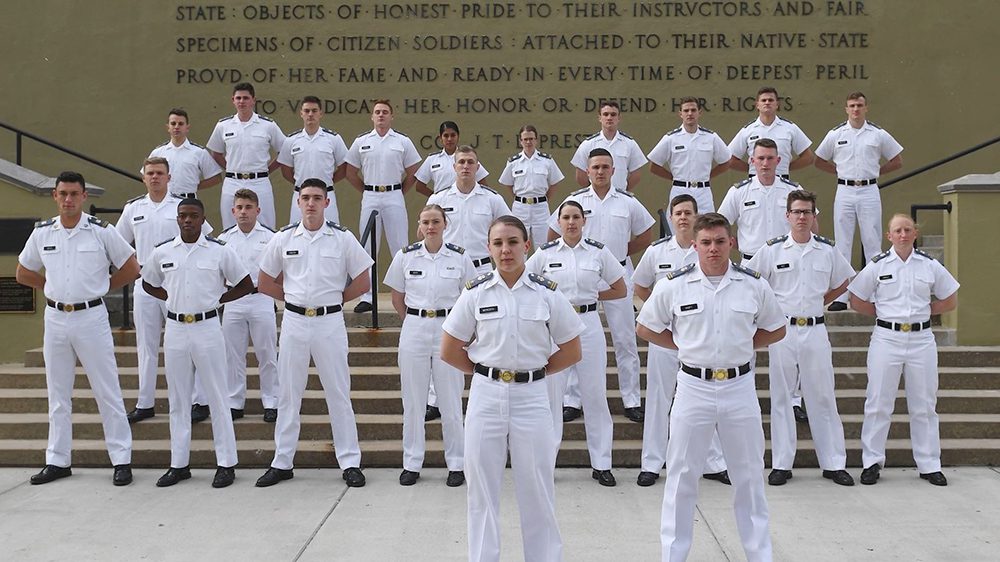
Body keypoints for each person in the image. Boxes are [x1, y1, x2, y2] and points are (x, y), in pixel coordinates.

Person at [637, 213, 786, 562]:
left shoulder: (753, 284)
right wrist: (685, 347)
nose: (713, 248)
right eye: (706, 242)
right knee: (681, 476)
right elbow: (645, 327)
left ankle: (759, 554)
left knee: (748, 475)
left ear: (731, 243)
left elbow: (776, 328)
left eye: (720, 241)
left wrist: (745, 346)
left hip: (739, 388)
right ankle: (673, 556)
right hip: (692, 387)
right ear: (695, 245)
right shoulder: (674, 284)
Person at [441, 216, 584, 562]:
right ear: (489, 249)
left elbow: (572, 349)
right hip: (486, 395)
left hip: (532, 398)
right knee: (482, 491)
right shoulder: (475, 292)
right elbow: (449, 349)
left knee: (537, 489)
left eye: (513, 242)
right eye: (498, 243)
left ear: (527, 245)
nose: (506, 250)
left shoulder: (546, 292)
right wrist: (483, 372)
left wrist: (536, 372)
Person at [16, 171, 139, 486]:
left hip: (91, 318)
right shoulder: (43, 233)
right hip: (56, 319)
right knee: (58, 392)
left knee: (107, 390)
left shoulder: (100, 231)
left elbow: (131, 267)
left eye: (74, 193)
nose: (68, 199)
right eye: (63, 194)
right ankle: (58, 460)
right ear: (55, 196)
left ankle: (121, 458)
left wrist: (102, 287)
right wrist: (50, 288)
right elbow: (23, 271)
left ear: (85, 197)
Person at [254, 179, 373, 488]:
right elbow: (265, 281)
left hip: (329, 323)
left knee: (338, 393)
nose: (310, 203)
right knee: (289, 394)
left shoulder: (342, 238)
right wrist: (293, 300)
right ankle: (282, 461)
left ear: (327, 202)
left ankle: (349, 462)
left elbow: (363, 280)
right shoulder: (282, 238)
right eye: (305, 197)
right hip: (294, 323)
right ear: (297, 202)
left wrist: (335, 300)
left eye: (317, 198)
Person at [746, 190, 856, 487]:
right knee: (781, 397)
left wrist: (821, 300)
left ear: (813, 216)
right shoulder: (772, 251)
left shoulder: (827, 250)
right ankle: (782, 463)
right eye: (797, 212)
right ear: (787, 216)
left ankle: (833, 463)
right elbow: (751, 283)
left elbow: (842, 281)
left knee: (822, 396)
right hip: (783, 331)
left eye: (807, 212)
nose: (802, 217)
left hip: (816, 330)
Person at [142, 198, 253, 488]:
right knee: (178, 400)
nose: (187, 220)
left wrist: (220, 300)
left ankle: (226, 463)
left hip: (207, 328)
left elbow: (244, 283)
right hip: (176, 329)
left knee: (218, 397)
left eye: (193, 216)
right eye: (182, 216)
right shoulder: (163, 251)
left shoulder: (219, 251)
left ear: (203, 219)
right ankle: (179, 464)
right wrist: (170, 298)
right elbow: (147, 282)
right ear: (176, 219)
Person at [848, 214, 959, 487]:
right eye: (897, 230)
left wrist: (926, 312)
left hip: (921, 340)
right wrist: (883, 314)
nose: (902, 235)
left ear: (915, 233)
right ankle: (871, 462)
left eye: (907, 230)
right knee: (878, 403)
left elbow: (950, 298)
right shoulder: (877, 266)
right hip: (887, 339)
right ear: (889, 236)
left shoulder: (929, 265)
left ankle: (929, 464)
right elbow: (856, 298)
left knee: (924, 405)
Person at [549, 148, 654, 423]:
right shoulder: (574, 201)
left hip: (618, 270)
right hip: (580, 273)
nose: (600, 171)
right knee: (573, 335)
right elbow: (552, 233)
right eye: (595, 167)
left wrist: (616, 255)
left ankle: (631, 399)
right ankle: (572, 400)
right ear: (587, 170)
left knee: (625, 339)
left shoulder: (628, 202)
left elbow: (646, 233)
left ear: (613, 170)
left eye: (605, 167)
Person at [526, 200, 625, 486]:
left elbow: (619, 287)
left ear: (584, 221)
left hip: (588, 324)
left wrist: (594, 297)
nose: (570, 222)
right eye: (566, 217)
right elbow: (527, 282)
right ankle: (547, 463)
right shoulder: (544, 254)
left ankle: (602, 463)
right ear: (558, 222)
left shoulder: (598, 252)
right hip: (554, 328)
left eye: (576, 217)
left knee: (595, 394)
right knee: (551, 398)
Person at [633, 195, 729, 488]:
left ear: (697, 217)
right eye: (678, 213)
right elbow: (640, 286)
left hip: (699, 340)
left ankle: (713, 462)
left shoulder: (707, 249)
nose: (683, 218)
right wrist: (661, 315)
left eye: (688, 212)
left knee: (707, 399)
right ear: (671, 218)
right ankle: (652, 462)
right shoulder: (656, 252)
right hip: (665, 338)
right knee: (660, 399)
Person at [385, 204, 476, 487]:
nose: (431, 226)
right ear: (419, 225)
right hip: (414, 327)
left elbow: (470, 297)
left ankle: (457, 464)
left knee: (450, 400)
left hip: (449, 328)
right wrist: (413, 320)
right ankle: (412, 462)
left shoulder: (460, 257)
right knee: (412, 400)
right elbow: (397, 296)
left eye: (436, 221)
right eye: (426, 221)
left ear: (445, 224)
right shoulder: (405, 256)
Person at [116, 157, 212, 424]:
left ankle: (198, 400)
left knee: (188, 342)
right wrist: (135, 268)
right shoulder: (133, 209)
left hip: (177, 284)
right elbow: (118, 245)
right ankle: (145, 402)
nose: (155, 177)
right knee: (146, 345)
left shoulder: (182, 207)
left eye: (160, 173)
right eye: (150, 173)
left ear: (169, 177)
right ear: (143, 177)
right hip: (145, 282)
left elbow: (206, 240)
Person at [815, 92, 904, 311]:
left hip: (869, 191)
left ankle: (873, 293)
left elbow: (897, 160)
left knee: (872, 243)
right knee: (842, 244)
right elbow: (819, 160)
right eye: (852, 105)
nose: (856, 109)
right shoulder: (836, 134)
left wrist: (875, 172)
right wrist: (839, 173)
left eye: (860, 105)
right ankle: (841, 295)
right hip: (844, 191)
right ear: (846, 109)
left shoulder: (877, 134)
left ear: (866, 108)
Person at [345, 99, 421, 313]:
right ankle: (367, 296)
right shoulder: (362, 141)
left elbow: (413, 170)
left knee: (400, 246)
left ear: (391, 116)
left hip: (394, 196)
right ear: (372, 116)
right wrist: (367, 191)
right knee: (368, 247)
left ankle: (407, 294)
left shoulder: (402, 141)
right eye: (377, 112)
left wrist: (398, 191)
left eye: (385, 112)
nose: (381, 115)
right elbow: (351, 171)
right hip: (370, 196)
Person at [217, 189, 279, 422]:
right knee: (233, 354)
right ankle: (234, 402)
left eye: (248, 207)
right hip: (234, 300)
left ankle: (271, 401)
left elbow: (279, 269)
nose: (243, 212)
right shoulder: (224, 239)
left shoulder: (271, 237)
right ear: (233, 211)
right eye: (239, 208)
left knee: (267, 352)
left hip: (261, 297)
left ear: (257, 210)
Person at [206, 82, 284, 230]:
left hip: (260, 182)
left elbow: (284, 151)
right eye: (238, 98)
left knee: (266, 228)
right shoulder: (223, 125)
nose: (242, 101)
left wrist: (267, 170)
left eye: (246, 98)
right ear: (233, 100)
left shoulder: (267, 125)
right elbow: (216, 152)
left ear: (253, 100)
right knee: (230, 228)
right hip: (232, 183)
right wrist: (229, 168)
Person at [427, 145, 511, 275]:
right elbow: (424, 233)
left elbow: (510, 228)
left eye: (470, 162)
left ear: (477, 167)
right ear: (454, 167)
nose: (466, 166)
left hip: (481, 267)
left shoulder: (492, 199)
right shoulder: (438, 199)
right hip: (448, 267)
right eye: (461, 162)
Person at [718, 138, 805, 262]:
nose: (765, 163)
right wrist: (739, 243)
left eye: (770, 158)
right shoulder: (738, 192)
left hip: (786, 260)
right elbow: (719, 224)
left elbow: (811, 223)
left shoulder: (793, 190)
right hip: (751, 261)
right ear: (752, 161)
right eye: (761, 158)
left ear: (778, 160)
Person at [646, 97, 731, 218]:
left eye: (693, 110)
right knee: (679, 227)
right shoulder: (671, 138)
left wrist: (708, 176)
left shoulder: (711, 137)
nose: (690, 113)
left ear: (699, 112)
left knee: (706, 227)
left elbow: (726, 162)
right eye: (686, 111)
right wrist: (673, 177)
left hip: (703, 192)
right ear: (680, 114)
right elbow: (654, 166)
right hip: (679, 190)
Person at [276, 95, 349, 225]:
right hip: (300, 195)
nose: (310, 114)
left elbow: (344, 168)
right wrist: (302, 184)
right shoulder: (291, 140)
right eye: (307, 111)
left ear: (321, 113)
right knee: (297, 234)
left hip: (326, 196)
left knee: (330, 234)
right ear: (301, 114)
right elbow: (286, 170)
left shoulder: (333, 138)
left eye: (314, 111)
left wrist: (325, 183)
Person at [499, 124, 565, 244]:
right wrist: (517, 198)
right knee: (518, 242)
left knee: (543, 244)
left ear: (536, 140)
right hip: (520, 208)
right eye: (525, 139)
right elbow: (507, 183)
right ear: (520, 141)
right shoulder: (514, 162)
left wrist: (544, 199)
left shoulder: (547, 161)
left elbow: (555, 182)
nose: (528, 142)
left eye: (531, 139)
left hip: (541, 208)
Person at [728, 87, 813, 179]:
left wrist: (785, 167)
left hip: (782, 179)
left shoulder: (790, 128)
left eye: (771, 100)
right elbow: (730, 159)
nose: (767, 102)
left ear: (777, 104)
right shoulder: (748, 130)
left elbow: (808, 157)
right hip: (755, 180)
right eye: (763, 100)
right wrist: (754, 167)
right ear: (757, 105)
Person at [146, 108, 223, 199]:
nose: (176, 127)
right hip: (165, 200)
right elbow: (146, 175)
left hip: (188, 200)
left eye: (181, 124)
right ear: (168, 128)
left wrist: (194, 186)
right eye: (173, 123)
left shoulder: (199, 152)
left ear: (187, 128)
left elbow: (216, 178)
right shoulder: (158, 152)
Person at [570, 101, 647, 191]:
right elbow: (580, 175)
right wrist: (594, 191)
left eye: (613, 114)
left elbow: (636, 175)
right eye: (605, 114)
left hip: (620, 197)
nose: (609, 118)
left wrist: (622, 192)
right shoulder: (588, 144)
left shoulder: (629, 143)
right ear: (599, 118)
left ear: (619, 118)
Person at [414, 120, 490, 196]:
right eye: (446, 136)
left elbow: (483, 185)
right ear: (440, 138)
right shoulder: (432, 159)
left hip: (464, 203)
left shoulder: (467, 157)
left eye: (453, 135)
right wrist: (436, 199)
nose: (449, 139)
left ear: (458, 137)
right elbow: (419, 186)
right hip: (442, 205)